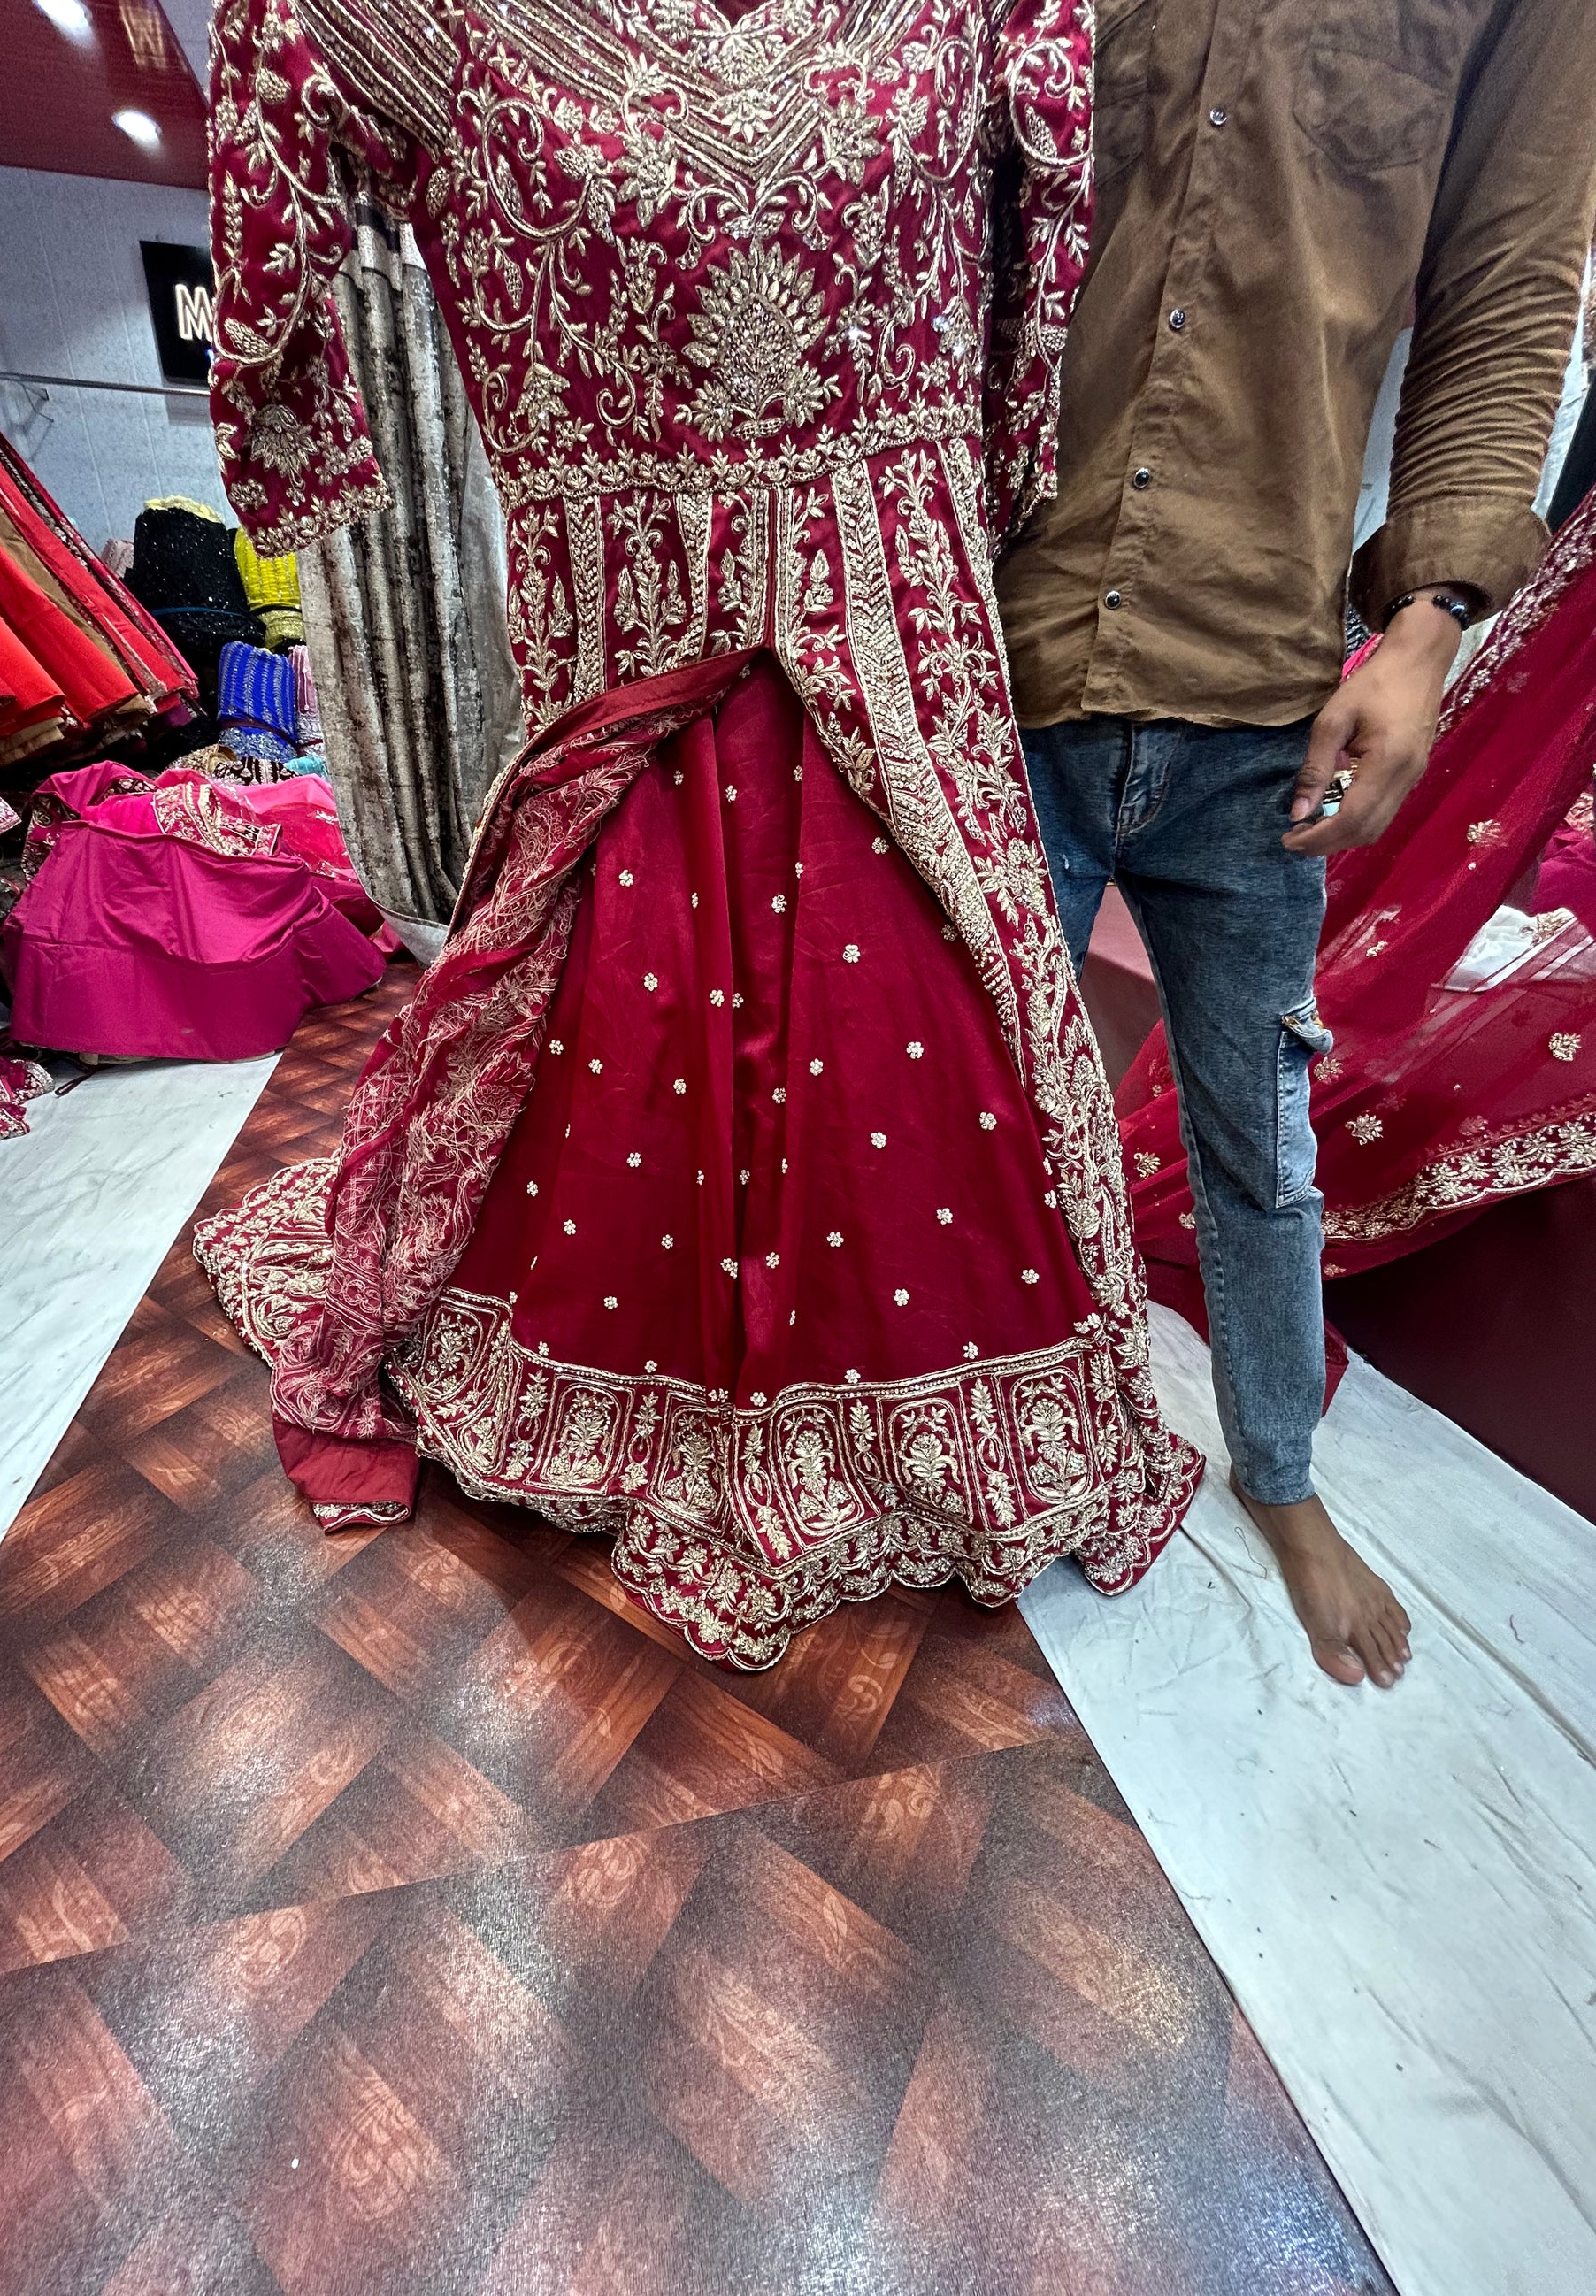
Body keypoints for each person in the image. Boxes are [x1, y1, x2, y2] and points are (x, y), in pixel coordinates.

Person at [195, 0, 1202, 1670]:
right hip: (620, 659)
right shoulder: (446, 30)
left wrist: (1002, 447)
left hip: (895, 647)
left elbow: (1040, 312)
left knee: (918, 1045)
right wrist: (291, 416)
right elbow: (277, 57)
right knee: (620, 1026)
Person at [996, 0, 1596, 1689]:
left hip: (1261, 702)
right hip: (989, 653)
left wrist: (1430, 620)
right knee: (962, 1110)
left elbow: (1504, 278)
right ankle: (980, 1433)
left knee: (1260, 1134)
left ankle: (1277, 1470)